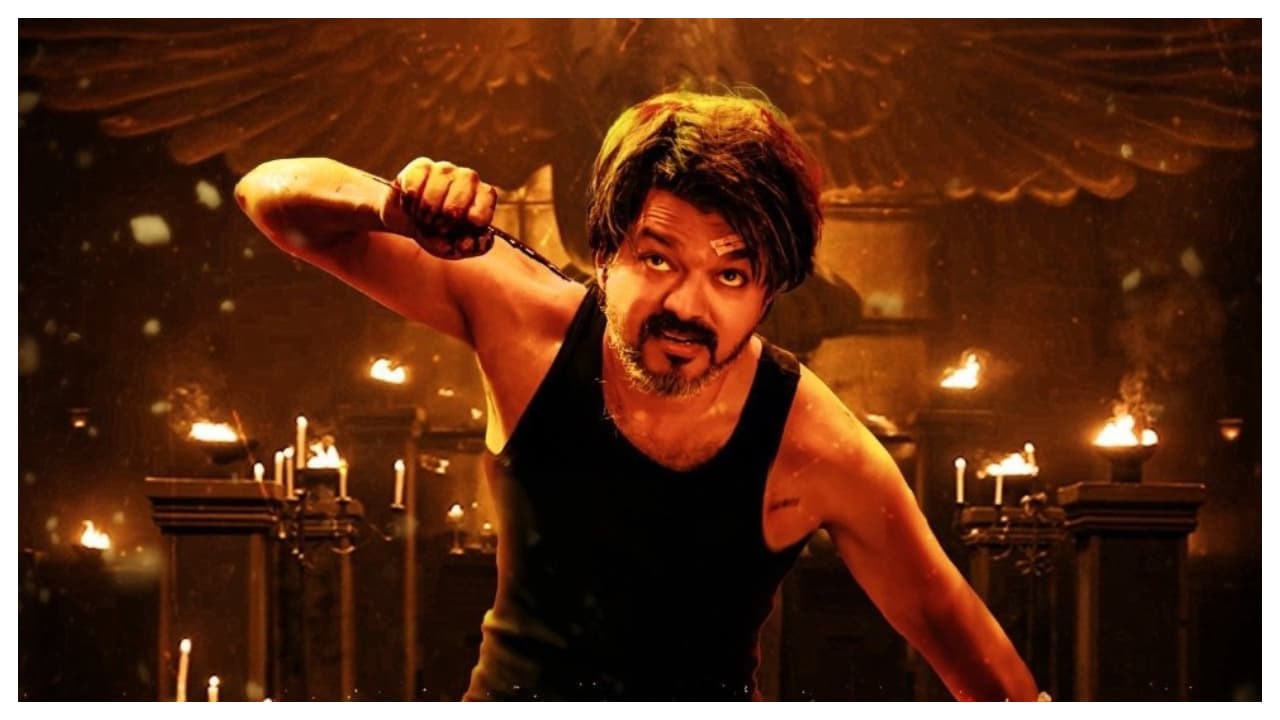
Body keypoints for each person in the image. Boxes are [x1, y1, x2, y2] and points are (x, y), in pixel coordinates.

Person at [236, 90, 1042, 701]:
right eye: (658, 259)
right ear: (605, 253)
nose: (688, 304)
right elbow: (268, 195)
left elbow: (992, 675)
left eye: (731, 274)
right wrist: (392, 205)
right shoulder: (527, 323)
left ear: (769, 292)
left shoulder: (815, 443)